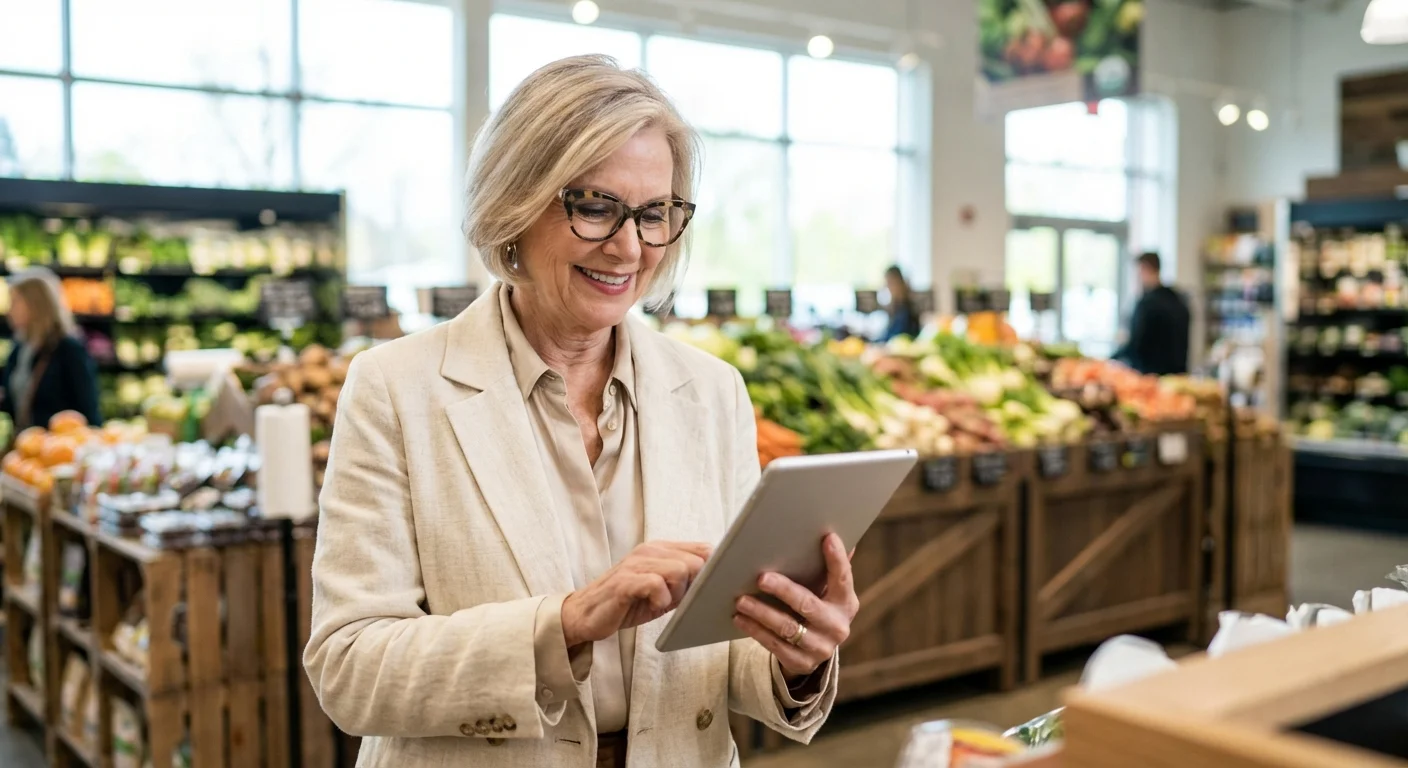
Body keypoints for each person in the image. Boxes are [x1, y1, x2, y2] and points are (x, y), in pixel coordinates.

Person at [304, 55, 855, 768]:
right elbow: (350, 668)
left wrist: (796, 650)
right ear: (513, 202)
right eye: (595, 205)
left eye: (654, 213)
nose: (629, 247)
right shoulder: (396, 389)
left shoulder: (712, 392)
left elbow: (719, 655)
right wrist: (566, 624)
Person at [2, 267, 101, 430]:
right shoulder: (20, 348)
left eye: (15, 301)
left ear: (35, 304)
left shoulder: (68, 349)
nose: (9, 310)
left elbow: (89, 409)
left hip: (60, 448)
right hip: (29, 447)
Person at [1114, 252, 1190, 375]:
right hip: (1177, 375)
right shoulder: (1178, 300)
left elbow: (1136, 344)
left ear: (1145, 268)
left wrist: (1113, 357)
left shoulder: (1147, 304)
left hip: (1150, 376)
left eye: (1138, 272)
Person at [883, 264, 921, 340]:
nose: (888, 287)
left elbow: (897, 335)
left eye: (889, 283)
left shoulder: (906, 308)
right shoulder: (896, 305)